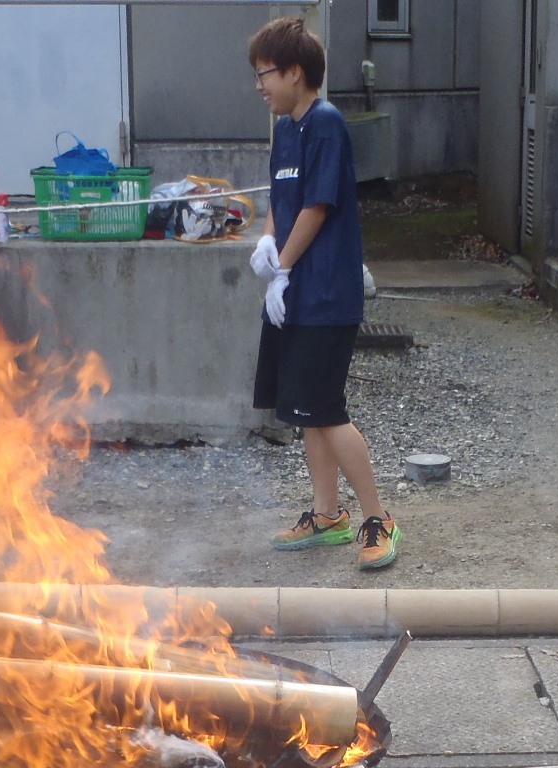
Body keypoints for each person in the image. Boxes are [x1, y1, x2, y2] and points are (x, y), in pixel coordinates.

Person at [247, 16, 400, 570]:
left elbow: (317, 207)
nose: (259, 85)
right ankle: (327, 514)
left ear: (294, 72)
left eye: (264, 74)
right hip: (295, 292)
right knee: (305, 409)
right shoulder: (285, 127)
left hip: (327, 293)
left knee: (328, 410)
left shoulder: (326, 124)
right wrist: (268, 243)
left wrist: (282, 269)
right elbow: (282, 201)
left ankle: (379, 518)